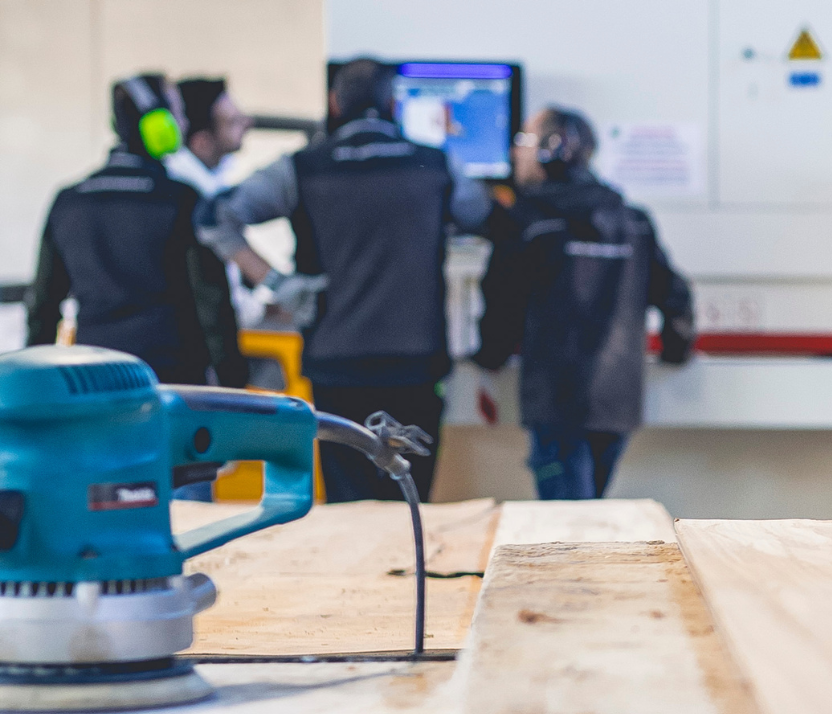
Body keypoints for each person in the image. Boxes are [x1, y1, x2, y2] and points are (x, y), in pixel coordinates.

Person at [199, 57, 492, 500]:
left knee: (350, 505)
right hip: (415, 363)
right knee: (409, 496)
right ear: (394, 104)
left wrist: (278, 284)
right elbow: (484, 215)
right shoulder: (434, 166)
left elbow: (215, 217)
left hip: (337, 364)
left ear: (335, 103)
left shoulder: (303, 168)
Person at [474, 105, 695, 499]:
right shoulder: (633, 220)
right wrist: (676, 352)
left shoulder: (528, 222)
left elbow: (502, 302)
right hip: (617, 402)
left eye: (524, 141)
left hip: (557, 403)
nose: (516, 153)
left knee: (570, 530)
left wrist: (489, 356)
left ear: (549, 150)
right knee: (589, 513)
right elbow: (675, 296)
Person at [27, 72, 245, 389]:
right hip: (172, 385)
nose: (182, 122)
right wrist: (233, 386)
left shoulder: (69, 201)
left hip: (95, 381)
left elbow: (43, 307)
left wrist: (35, 386)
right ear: (159, 124)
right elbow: (212, 305)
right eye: (176, 112)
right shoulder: (182, 200)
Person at [169, 75, 253, 199]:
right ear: (201, 144)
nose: (248, 123)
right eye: (233, 122)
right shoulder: (189, 201)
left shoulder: (218, 172)